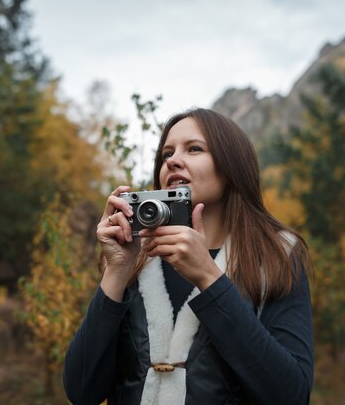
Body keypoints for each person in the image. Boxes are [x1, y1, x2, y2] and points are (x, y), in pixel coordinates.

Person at [63, 108, 314, 404]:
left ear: (232, 165)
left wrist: (209, 278)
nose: (172, 160)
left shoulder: (276, 257)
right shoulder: (139, 257)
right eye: (166, 153)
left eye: (194, 149)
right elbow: (81, 391)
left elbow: (291, 395)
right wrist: (116, 271)